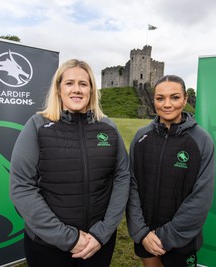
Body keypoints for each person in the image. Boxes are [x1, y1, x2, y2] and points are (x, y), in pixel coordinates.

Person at [10, 59, 130, 267]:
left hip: (98, 244)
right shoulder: (37, 126)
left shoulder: (108, 127)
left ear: (92, 89)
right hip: (47, 247)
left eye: (83, 84)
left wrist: (102, 233)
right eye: (69, 83)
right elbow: (22, 187)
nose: (77, 90)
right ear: (58, 89)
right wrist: (68, 238)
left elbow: (122, 177)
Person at [127, 75, 215, 267]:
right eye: (160, 98)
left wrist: (165, 236)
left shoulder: (201, 140)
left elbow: (201, 197)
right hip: (145, 235)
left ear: (185, 99)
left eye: (174, 97)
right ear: (154, 100)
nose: (167, 104)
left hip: (181, 239)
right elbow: (131, 185)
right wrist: (141, 231)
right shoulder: (141, 137)